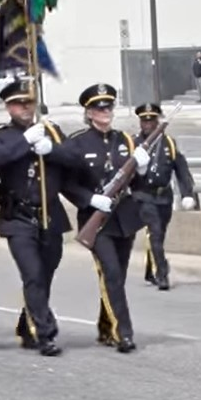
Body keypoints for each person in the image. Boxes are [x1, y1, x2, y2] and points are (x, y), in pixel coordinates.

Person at [0, 79, 78, 356]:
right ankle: (46, 333)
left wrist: (52, 148)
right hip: (19, 217)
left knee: (45, 276)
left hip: (50, 215)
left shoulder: (51, 131)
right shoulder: (0, 134)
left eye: (28, 102)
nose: (24, 108)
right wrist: (26, 143)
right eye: (18, 104)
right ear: (8, 107)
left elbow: (76, 159)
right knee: (33, 274)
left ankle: (28, 325)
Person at [63, 84, 150, 353]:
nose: (105, 112)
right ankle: (123, 332)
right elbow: (66, 183)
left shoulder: (125, 140)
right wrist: (89, 199)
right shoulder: (77, 143)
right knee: (110, 273)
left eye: (109, 107)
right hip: (96, 221)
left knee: (117, 277)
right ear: (89, 113)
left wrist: (143, 166)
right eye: (99, 108)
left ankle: (106, 326)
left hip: (124, 218)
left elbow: (139, 181)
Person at [129, 103, 197, 290]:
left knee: (158, 236)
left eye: (152, 120)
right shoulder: (133, 143)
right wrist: (138, 168)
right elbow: (124, 172)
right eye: (144, 120)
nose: (148, 124)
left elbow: (181, 170)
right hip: (143, 195)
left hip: (164, 196)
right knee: (155, 233)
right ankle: (162, 274)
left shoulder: (168, 143)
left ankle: (151, 270)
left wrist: (187, 193)